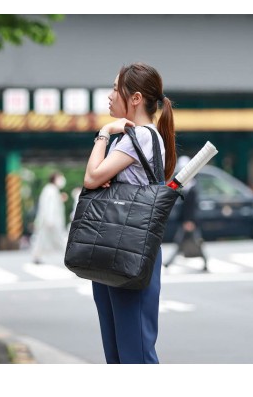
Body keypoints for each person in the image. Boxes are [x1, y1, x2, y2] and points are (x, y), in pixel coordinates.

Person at [83, 62, 176, 364]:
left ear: (135, 98)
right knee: (118, 355)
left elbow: (92, 178)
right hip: (115, 247)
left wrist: (103, 133)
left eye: (114, 88)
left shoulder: (144, 136)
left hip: (129, 251)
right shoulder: (133, 138)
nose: (109, 95)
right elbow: (100, 178)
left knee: (135, 354)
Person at [164, 156, 208, 271]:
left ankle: (205, 263)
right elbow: (171, 191)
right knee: (181, 242)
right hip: (185, 220)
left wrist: (190, 220)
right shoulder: (183, 186)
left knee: (195, 242)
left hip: (190, 221)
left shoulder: (192, 187)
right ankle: (169, 263)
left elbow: (192, 207)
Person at [31, 172, 67, 264]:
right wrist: (50, 220)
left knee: (42, 239)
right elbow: (49, 206)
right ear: (55, 179)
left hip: (48, 221)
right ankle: (70, 256)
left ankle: (37, 256)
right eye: (60, 177)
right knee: (59, 239)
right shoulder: (51, 190)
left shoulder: (51, 190)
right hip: (50, 221)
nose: (62, 180)